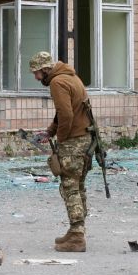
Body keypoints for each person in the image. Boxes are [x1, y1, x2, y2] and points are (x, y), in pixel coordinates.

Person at [29, 51, 92, 253]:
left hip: (73, 142)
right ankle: (77, 230)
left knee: (69, 187)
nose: (36, 77)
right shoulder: (72, 78)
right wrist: (50, 132)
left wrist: (61, 139)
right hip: (85, 139)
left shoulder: (57, 83)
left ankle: (76, 237)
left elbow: (66, 114)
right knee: (78, 185)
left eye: (37, 73)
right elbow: (63, 112)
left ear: (45, 69)